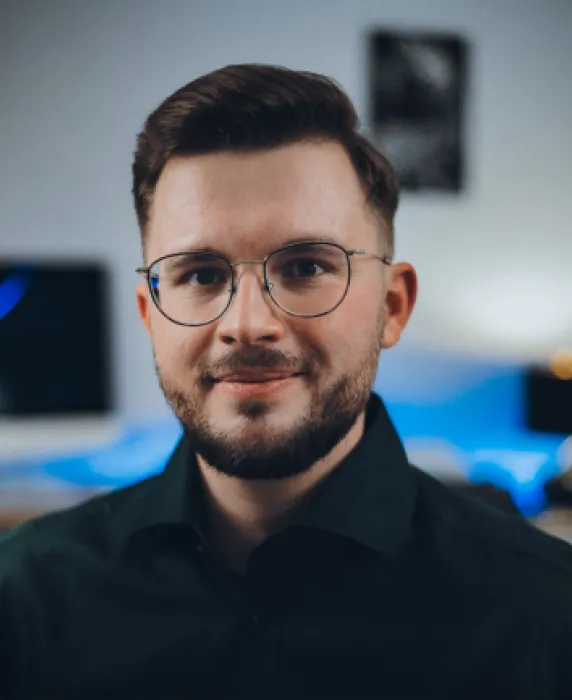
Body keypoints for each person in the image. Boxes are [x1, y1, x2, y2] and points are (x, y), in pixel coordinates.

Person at [0, 64, 571, 700]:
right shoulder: (22, 598)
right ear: (150, 316)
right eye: (200, 274)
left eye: (305, 266)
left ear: (393, 306)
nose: (248, 325)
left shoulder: (548, 615)